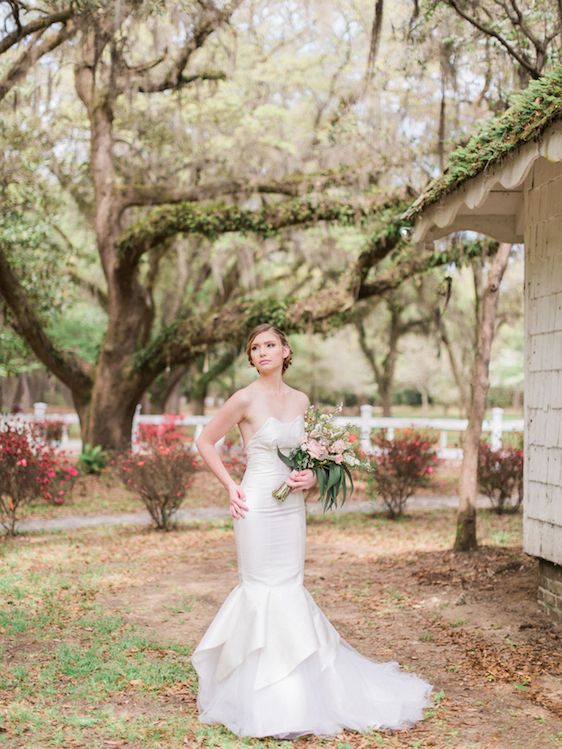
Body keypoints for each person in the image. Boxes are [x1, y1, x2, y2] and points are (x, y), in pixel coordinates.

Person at [191, 323, 433, 739]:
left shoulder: (301, 400)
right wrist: (231, 486)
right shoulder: (244, 398)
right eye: (255, 348)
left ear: (286, 351)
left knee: (289, 586)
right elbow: (205, 440)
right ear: (250, 358)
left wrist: (312, 479)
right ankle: (254, 694)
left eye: (270, 345)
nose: (262, 352)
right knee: (259, 587)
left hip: (290, 508)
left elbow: (310, 456)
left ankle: (304, 692)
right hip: (256, 503)